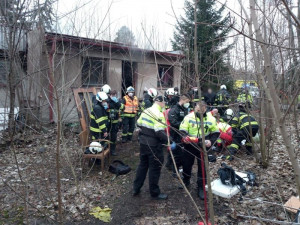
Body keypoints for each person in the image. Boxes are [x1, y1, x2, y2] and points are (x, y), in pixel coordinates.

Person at [133, 96, 174, 200]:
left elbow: (139, 124)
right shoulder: (159, 114)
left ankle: (136, 188)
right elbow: (159, 132)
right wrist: (170, 140)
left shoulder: (146, 110)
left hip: (143, 143)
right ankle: (155, 193)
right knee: (155, 169)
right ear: (160, 102)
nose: (165, 105)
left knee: (142, 166)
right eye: (164, 103)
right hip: (154, 146)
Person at [179, 101, 220, 199]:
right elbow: (182, 130)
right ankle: (186, 179)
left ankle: (201, 187)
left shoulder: (211, 119)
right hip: (190, 144)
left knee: (203, 167)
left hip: (203, 146)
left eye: (202, 108)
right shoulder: (188, 117)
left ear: (205, 108)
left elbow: (216, 132)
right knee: (186, 164)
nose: (199, 110)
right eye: (198, 108)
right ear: (195, 108)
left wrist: (211, 141)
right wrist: (184, 137)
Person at [167, 94, 191, 175]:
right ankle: (175, 171)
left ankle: (170, 165)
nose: (188, 103)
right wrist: (184, 124)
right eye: (187, 102)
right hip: (175, 133)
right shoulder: (174, 109)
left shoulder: (183, 109)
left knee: (176, 151)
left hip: (181, 133)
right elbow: (173, 122)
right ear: (183, 100)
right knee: (177, 152)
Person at [107, 89, 121, 156]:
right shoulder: (107, 101)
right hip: (108, 122)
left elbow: (120, 106)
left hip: (115, 122)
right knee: (106, 136)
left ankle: (112, 150)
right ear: (110, 95)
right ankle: (106, 149)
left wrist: (116, 102)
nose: (113, 96)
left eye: (114, 95)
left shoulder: (117, 101)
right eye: (112, 95)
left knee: (113, 137)